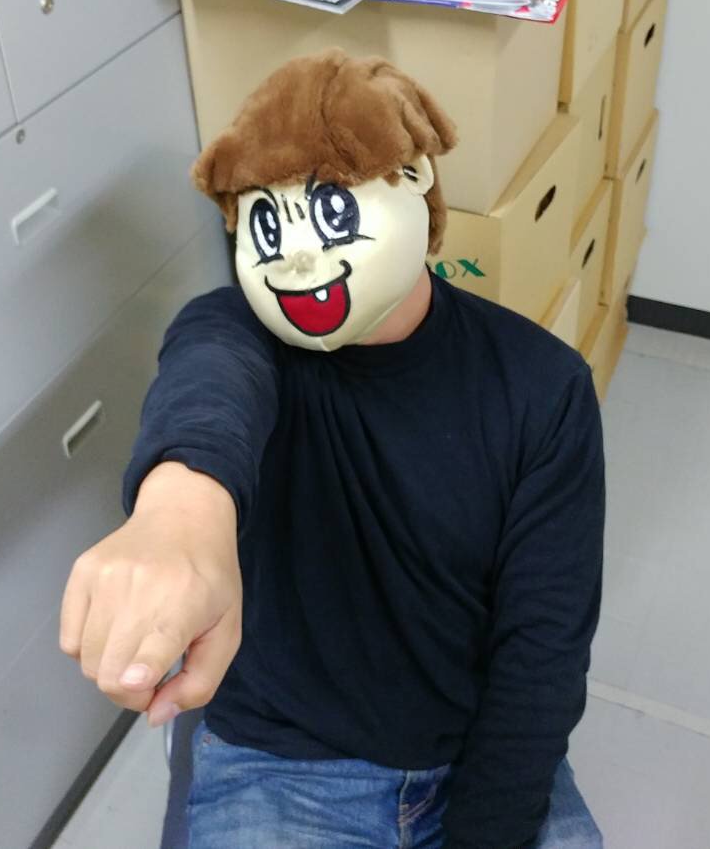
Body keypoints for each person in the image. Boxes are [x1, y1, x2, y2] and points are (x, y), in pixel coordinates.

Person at [59, 52, 606, 849]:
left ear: (416, 179)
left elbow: (542, 656)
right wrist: (179, 513)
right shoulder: (236, 329)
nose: (296, 256)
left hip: (476, 750)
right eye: (267, 223)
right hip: (283, 763)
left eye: (329, 210)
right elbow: (209, 386)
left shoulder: (542, 386)